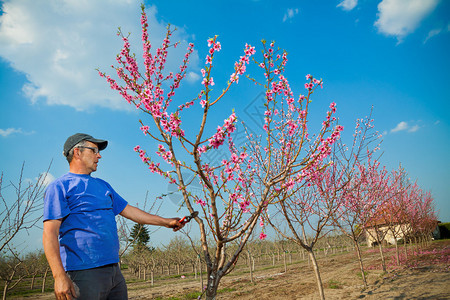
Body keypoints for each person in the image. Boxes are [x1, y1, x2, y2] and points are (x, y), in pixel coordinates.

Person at [43, 133, 184, 300]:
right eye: (94, 150)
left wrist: (166, 222)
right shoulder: (59, 187)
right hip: (83, 273)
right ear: (77, 152)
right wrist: (59, 276)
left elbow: (130, 211)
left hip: (114, 272)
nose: (99, 155)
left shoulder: (103, 186)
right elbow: (49, 234)